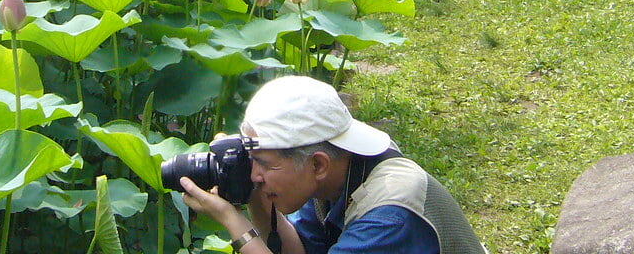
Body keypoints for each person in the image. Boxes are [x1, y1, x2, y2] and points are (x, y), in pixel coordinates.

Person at [179, 75, 485, 254]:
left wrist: (233, 222)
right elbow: (298, 251)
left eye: (262, 163)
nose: (255, 175)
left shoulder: (390, 217)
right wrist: (252, 196)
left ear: (318, 164)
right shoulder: (339, 172)